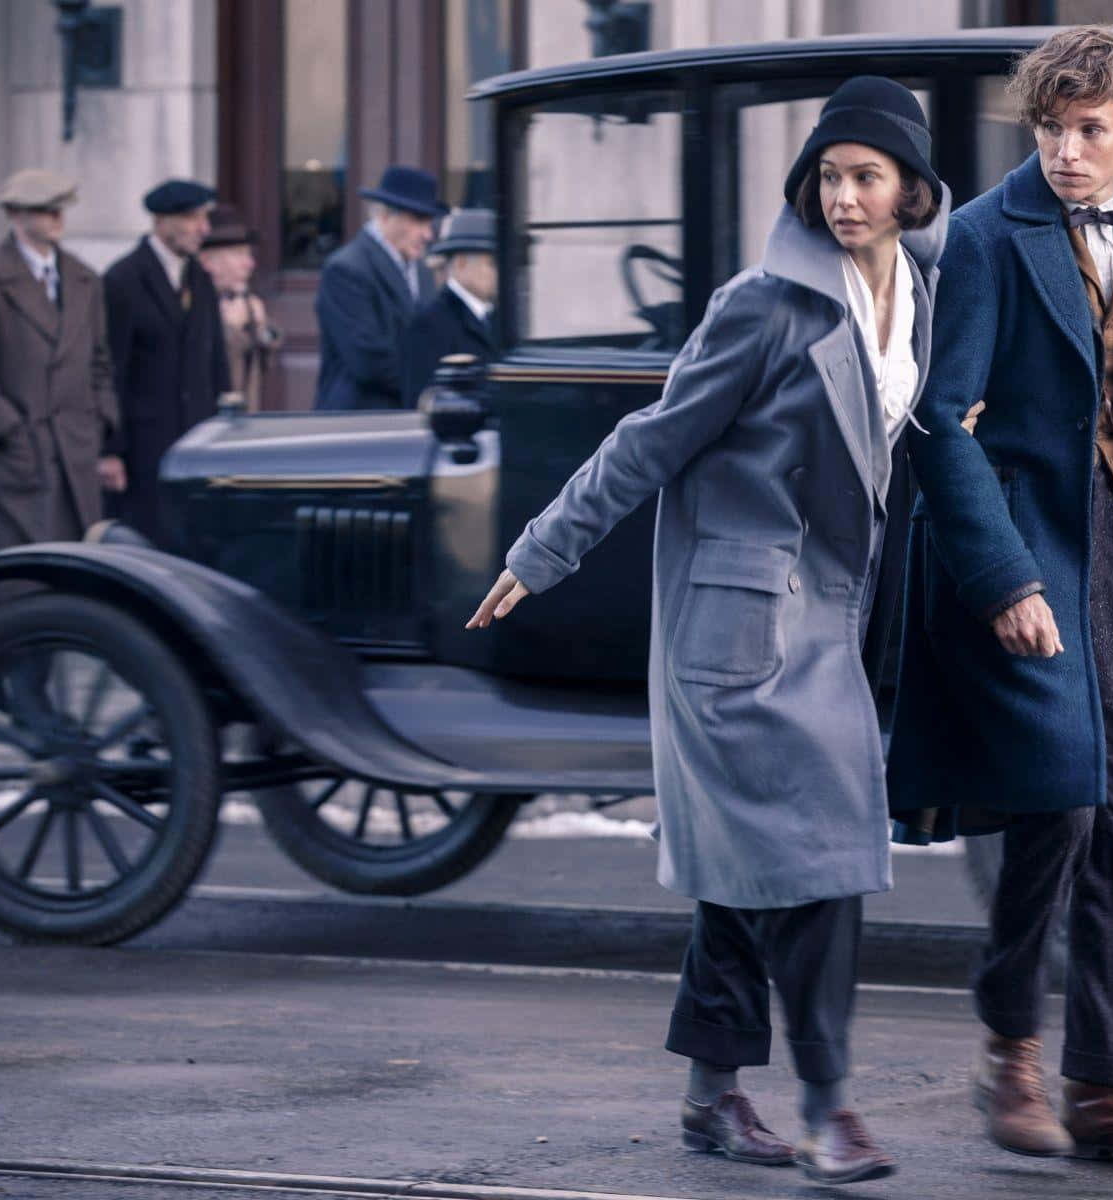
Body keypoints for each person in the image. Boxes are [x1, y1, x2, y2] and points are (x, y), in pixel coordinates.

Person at [467, 77, 949, 1185]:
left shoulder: (917, 288)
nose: (843, 197)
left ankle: (710, 1096)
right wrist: (537, 554)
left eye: (866, 176)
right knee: (824, 853)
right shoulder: (765, 304)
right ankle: (831, 1106)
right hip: (736, 634)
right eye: (829, 175)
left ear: (912, 191)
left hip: (833, 618)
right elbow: (650, 437)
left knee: (748, 870)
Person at [885, 25, 1113, 1167]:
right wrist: (1000, 577)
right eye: (1051, 128)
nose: (1068, 151)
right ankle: (1009, 1048)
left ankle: (1108, 1091)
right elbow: (938, 422)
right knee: (1063, 806)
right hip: (1028, 550)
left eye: (1090, 130)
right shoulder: (985, 239)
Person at [0, 169, 117, 572]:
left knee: (78, 573)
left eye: (60, 209)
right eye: (45, 210)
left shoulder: (83, 279)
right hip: (15, 456)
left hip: (74, 450)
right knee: (22, 577)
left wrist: (99, 424)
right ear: (16, 215)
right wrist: (9, 428)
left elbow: (100, 362)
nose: (57, 218)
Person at [103, 179, 230, 545]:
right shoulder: (122, 280)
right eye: (192, 218)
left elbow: (215, 361)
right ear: (161, 221)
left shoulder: (200, 279)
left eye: (205, 218)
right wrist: (110, 450)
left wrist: (227, 423)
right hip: (145, 449)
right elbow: (109, 371)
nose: (203, 229)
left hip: (198, 444)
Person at [313, 166, 443, 410]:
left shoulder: (423, 271)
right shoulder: (346, 269)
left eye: (430, 222)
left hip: (410, 419)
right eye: (418, 220)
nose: (428, 234)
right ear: (385, 215)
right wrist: (433, 385)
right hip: (359, 424)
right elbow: (369, 360)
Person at [399, 207, 498, 406]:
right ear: (461, 264)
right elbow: (422, 403)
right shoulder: (429, 325)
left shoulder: (499, 319)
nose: (501, 272)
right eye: (492, 263)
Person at [198, 204, 282, 409]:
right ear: (208, 261)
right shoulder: (196, 303)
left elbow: (270, 342)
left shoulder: (243, 298)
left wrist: (261, 327)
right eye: (238, 254)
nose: (249, 264)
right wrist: (231, 328)